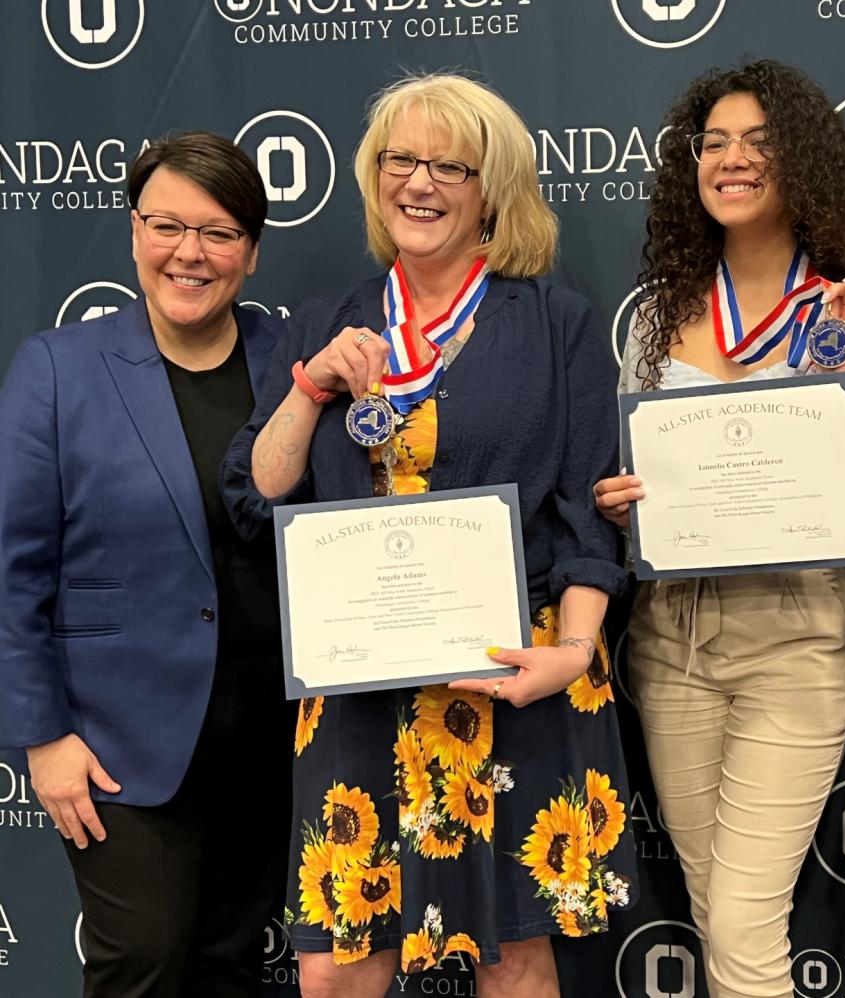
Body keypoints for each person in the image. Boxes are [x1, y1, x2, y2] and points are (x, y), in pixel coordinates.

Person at [221, 73, 636, 998]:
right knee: (336, 968)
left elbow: (583, 514)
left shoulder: (555, 324)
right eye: (401, 159)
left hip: (512, 672)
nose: (421, 182)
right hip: (358, 682)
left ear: (493, 191)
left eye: (451, 165)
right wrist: (310, 386)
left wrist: (573, 650)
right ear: (373, 177)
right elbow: (259, 491)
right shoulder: (331, 321)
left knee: (515, 959)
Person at [591, 60, 845, 997]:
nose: (732, 161)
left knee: (741, 922)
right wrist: (623, 503)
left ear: (802, 163)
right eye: (715, 143)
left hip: (797, 636)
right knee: (710, 911)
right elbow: (639, 462)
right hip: (672, 638)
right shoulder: (657, 315)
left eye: (760, 144)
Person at [0, 131, 289, 997]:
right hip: (119, 741)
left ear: (252, 252)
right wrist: (43, 738)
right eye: (167, 225)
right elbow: (13, 571)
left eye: (219, 232)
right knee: (146, 961)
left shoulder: (290, 363)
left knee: (232, 963)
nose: (189, 253)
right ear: (133, 234)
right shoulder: (57, 370)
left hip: (269, 735)